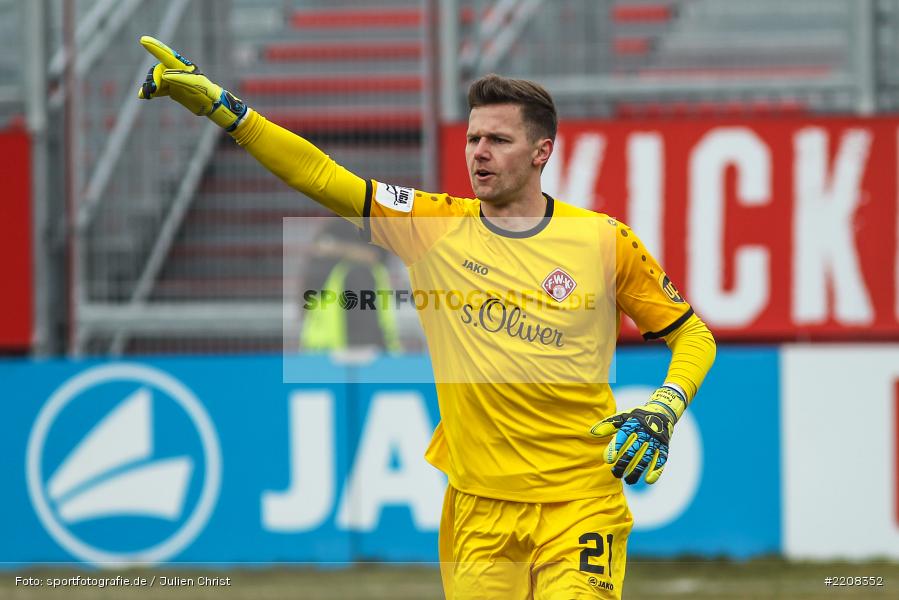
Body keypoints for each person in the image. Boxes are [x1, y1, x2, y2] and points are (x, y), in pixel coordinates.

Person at [137, 36, 716, 599]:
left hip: (581, 500)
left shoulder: (604, 240)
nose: (479, 152)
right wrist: (228, 112)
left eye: (498, 139)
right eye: (473, 138)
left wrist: (664, 407)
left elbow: (692, 335)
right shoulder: (432, 225)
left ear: (542, 152)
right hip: (478, 510)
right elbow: (320, 176)